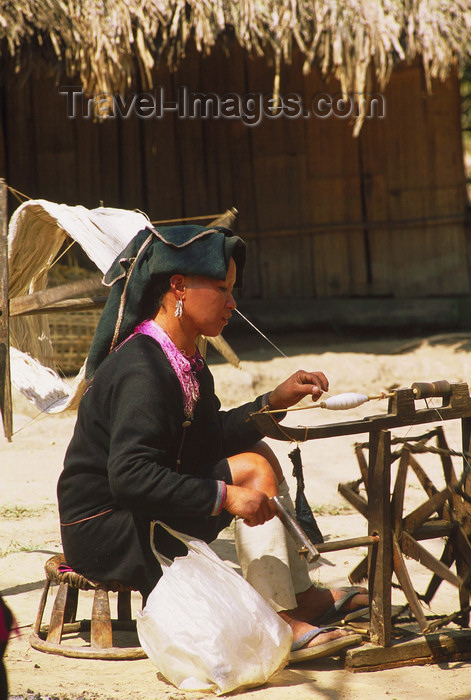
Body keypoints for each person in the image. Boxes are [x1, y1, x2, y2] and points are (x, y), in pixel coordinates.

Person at [57, 223, 367, 663]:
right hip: (108, 527)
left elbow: (207, 438)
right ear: (178, 287)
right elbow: (129, 477)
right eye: (222, 289)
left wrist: (272, 403)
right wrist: (223, 495)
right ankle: (279, 618)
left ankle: (298, 599)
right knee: (250, 472)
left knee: (256, 457)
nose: (232, 303)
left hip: (143, 507)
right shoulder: (143, 369)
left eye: (232, 289)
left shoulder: (186, 360)